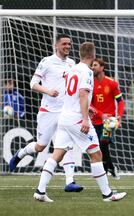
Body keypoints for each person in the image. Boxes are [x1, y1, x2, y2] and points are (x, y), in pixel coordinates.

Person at [33, 42, 127, 202]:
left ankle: (40, 191)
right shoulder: (87, 72)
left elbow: (74, 94)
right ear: (93, 54)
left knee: (57, 154)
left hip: (64, 116)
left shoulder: (72, 69)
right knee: (96, 154)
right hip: (77, 119)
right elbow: (83, 94)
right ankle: (108, 194)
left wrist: (87, 109)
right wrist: (85, 118)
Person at [9, 34, 83, 192]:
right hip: (48, 111)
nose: (68, 47)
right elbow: (33, 84)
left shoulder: (72, 64)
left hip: (65, 112)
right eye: (64, 44)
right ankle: (21, 153)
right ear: (56, 45)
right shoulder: (46, 62)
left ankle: (70, 181)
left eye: (69, 44)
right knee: (40, 146)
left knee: (65, 146)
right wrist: (48, 91)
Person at [90, 58, 124, 179]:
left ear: (102, 67)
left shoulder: (111, 83)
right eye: (92, 65)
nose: (92, 67)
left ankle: (103, 171)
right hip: (95, 120)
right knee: (97, 146)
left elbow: (120, 101)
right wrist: (100, 114)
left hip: (109, 121)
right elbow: (89, 104)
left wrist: (119, 115)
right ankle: (110, 167)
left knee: (103, 142)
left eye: (95, 65)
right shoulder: (90, 83)